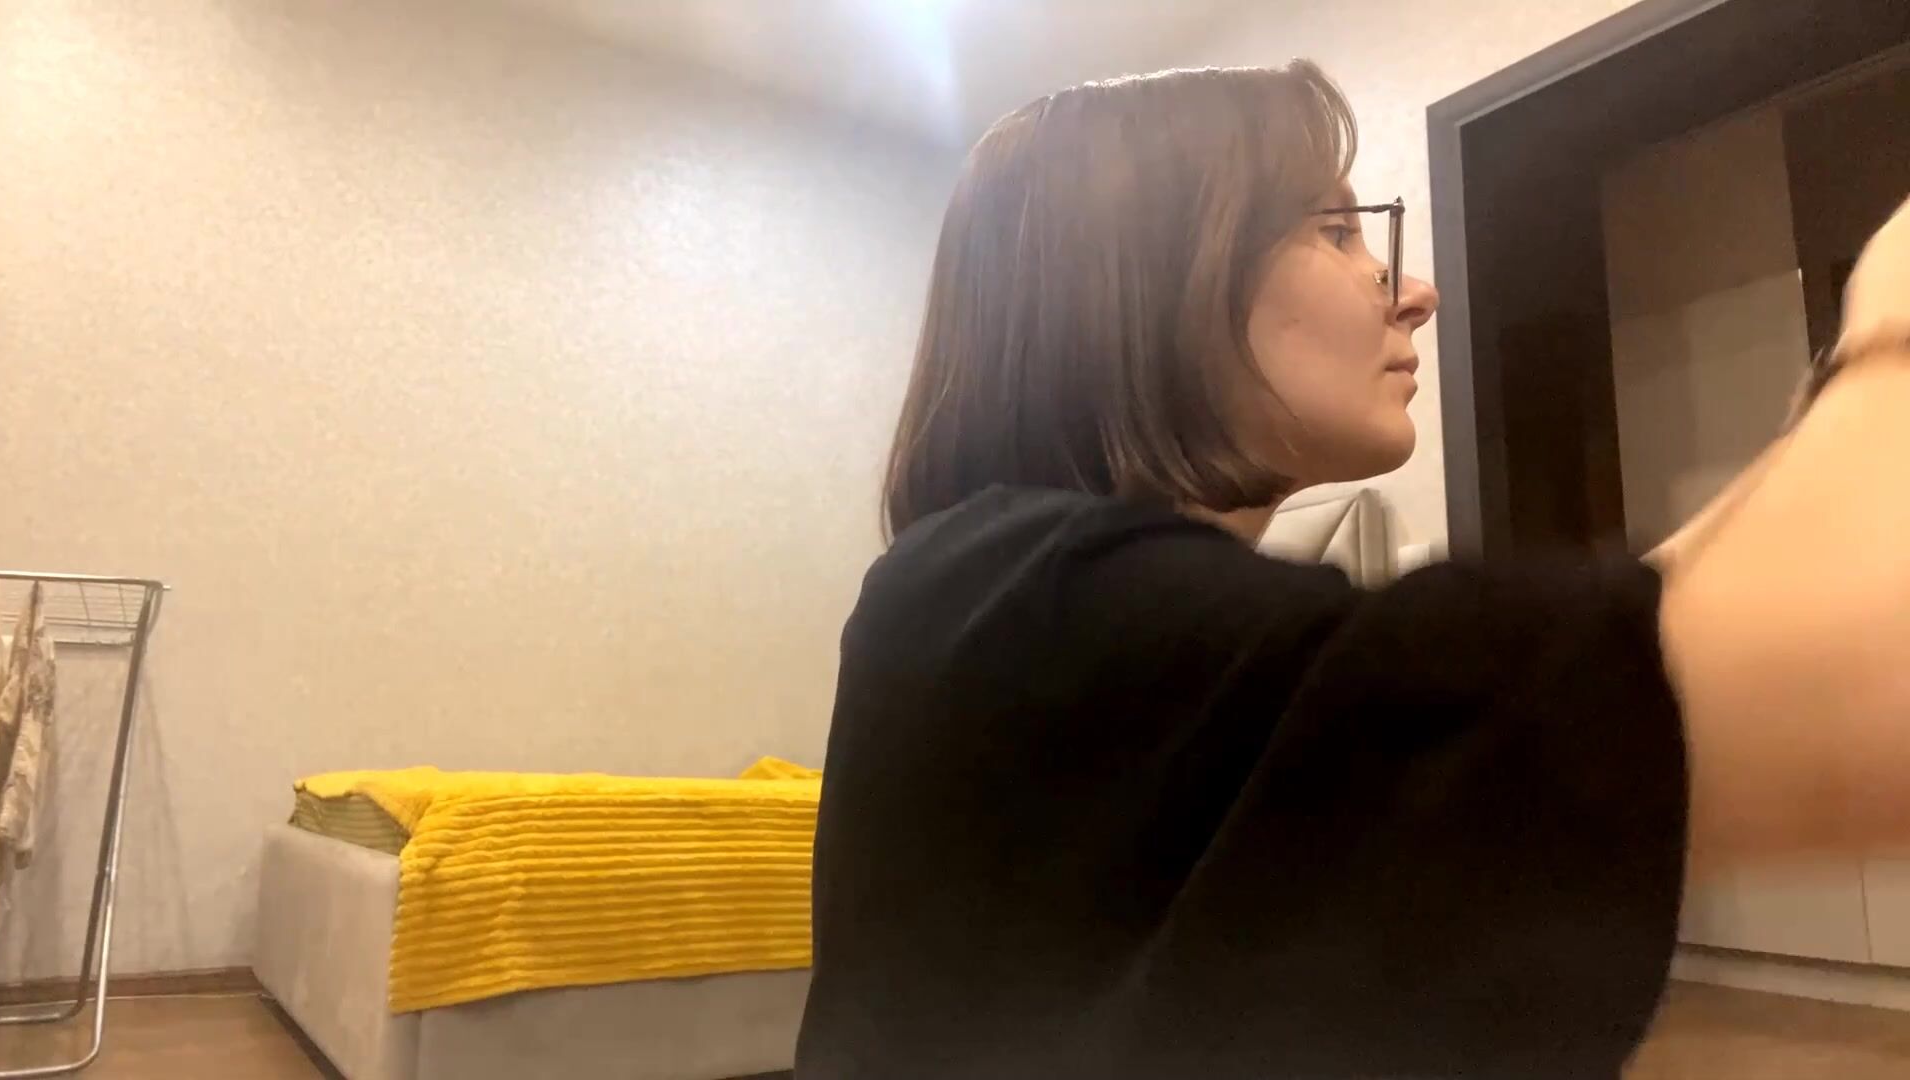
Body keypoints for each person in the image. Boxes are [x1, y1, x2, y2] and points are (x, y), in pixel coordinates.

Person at [795, 60, 1910, 1080]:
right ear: (1145, 281)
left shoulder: (993, 597)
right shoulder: (1021, 605)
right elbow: (1854, 670)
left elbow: (1638, 639)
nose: (1414, 291)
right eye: (1336, 230)